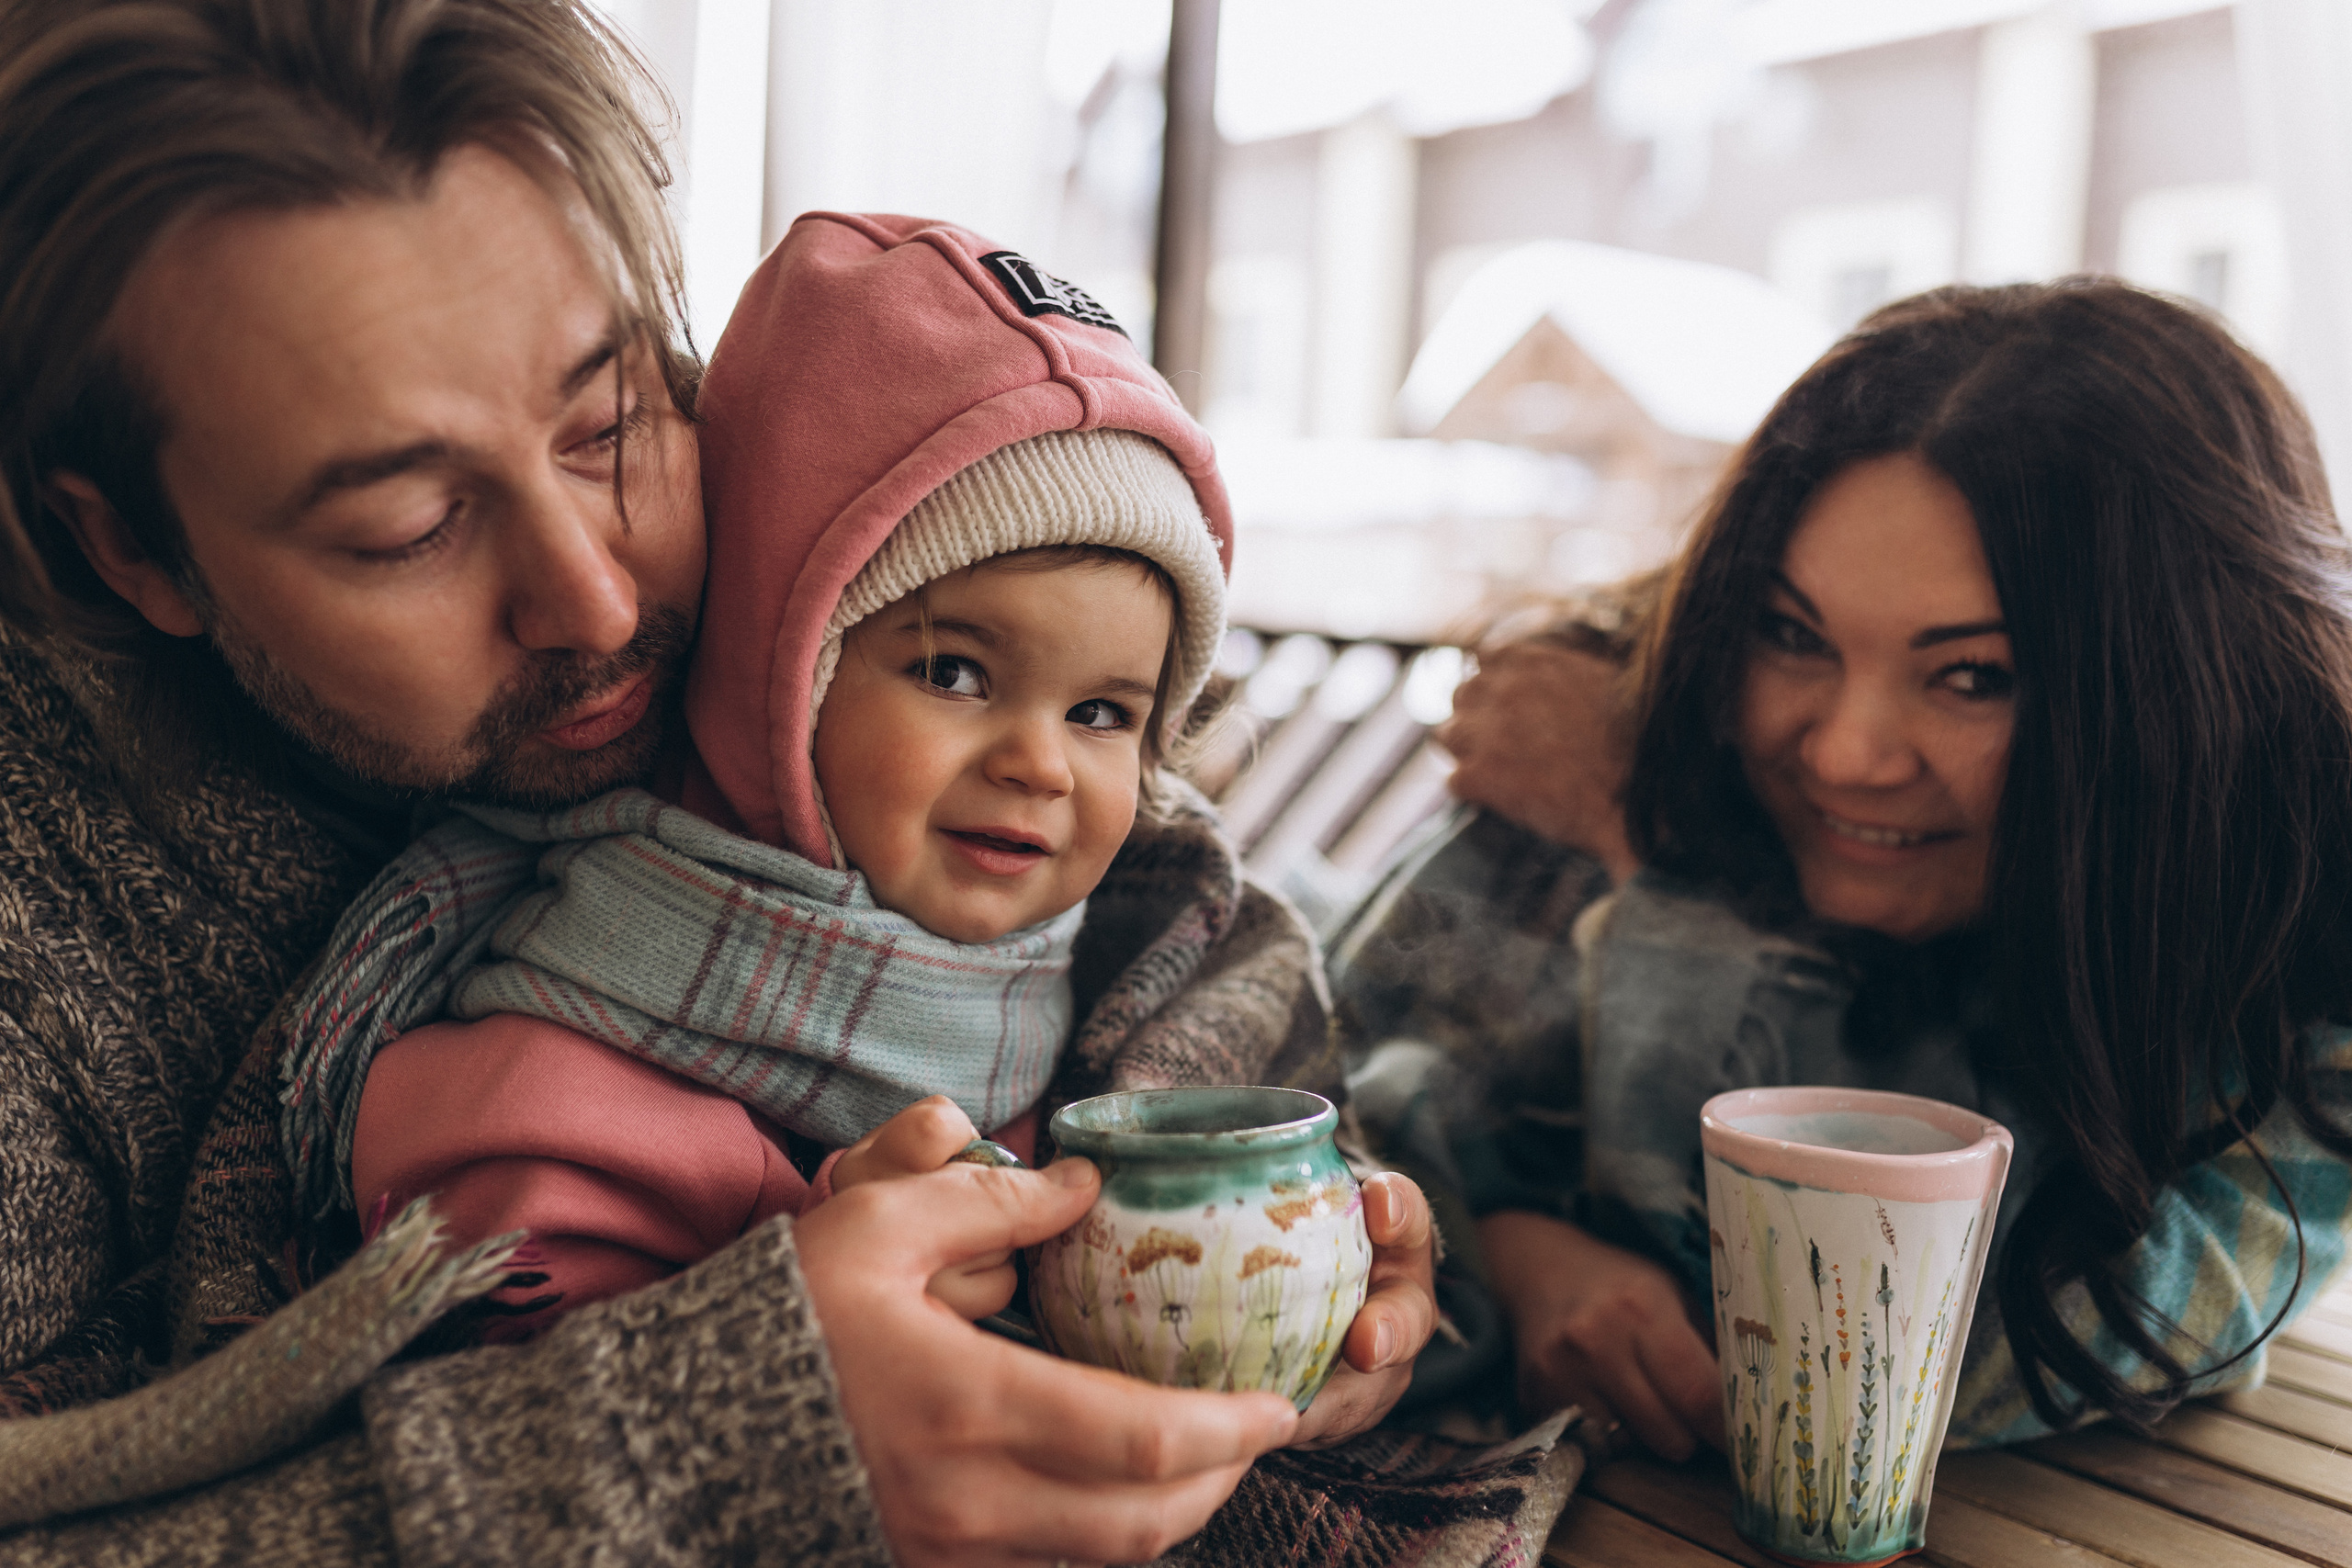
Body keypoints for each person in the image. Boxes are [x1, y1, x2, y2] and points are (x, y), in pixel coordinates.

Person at [0, 3, 1442, 1560]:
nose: (602, 601)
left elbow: (1163, 900)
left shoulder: (793, 565)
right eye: (410, 525)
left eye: (611, 422)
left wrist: (1299, 1238)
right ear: (128, 546)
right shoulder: (41, 912)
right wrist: (720, 1441)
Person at [1334, 278, 2352, 1462]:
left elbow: (1940, 1362)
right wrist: (1505, 1247)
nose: (1845, 753)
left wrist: (1655, 855)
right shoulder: (1647, 713)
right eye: (1792, 634)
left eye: (1972, 675)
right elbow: (1313, 1103)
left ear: (2187, 703)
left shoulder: (2305, 938)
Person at [323, 210, 1321, 1336]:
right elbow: (510, 1399)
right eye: (953, 673)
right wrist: (802, 1299)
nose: (1040, 763)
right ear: (778, 670)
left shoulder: (1119, 977)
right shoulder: (550, 1097)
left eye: (1101, 712)